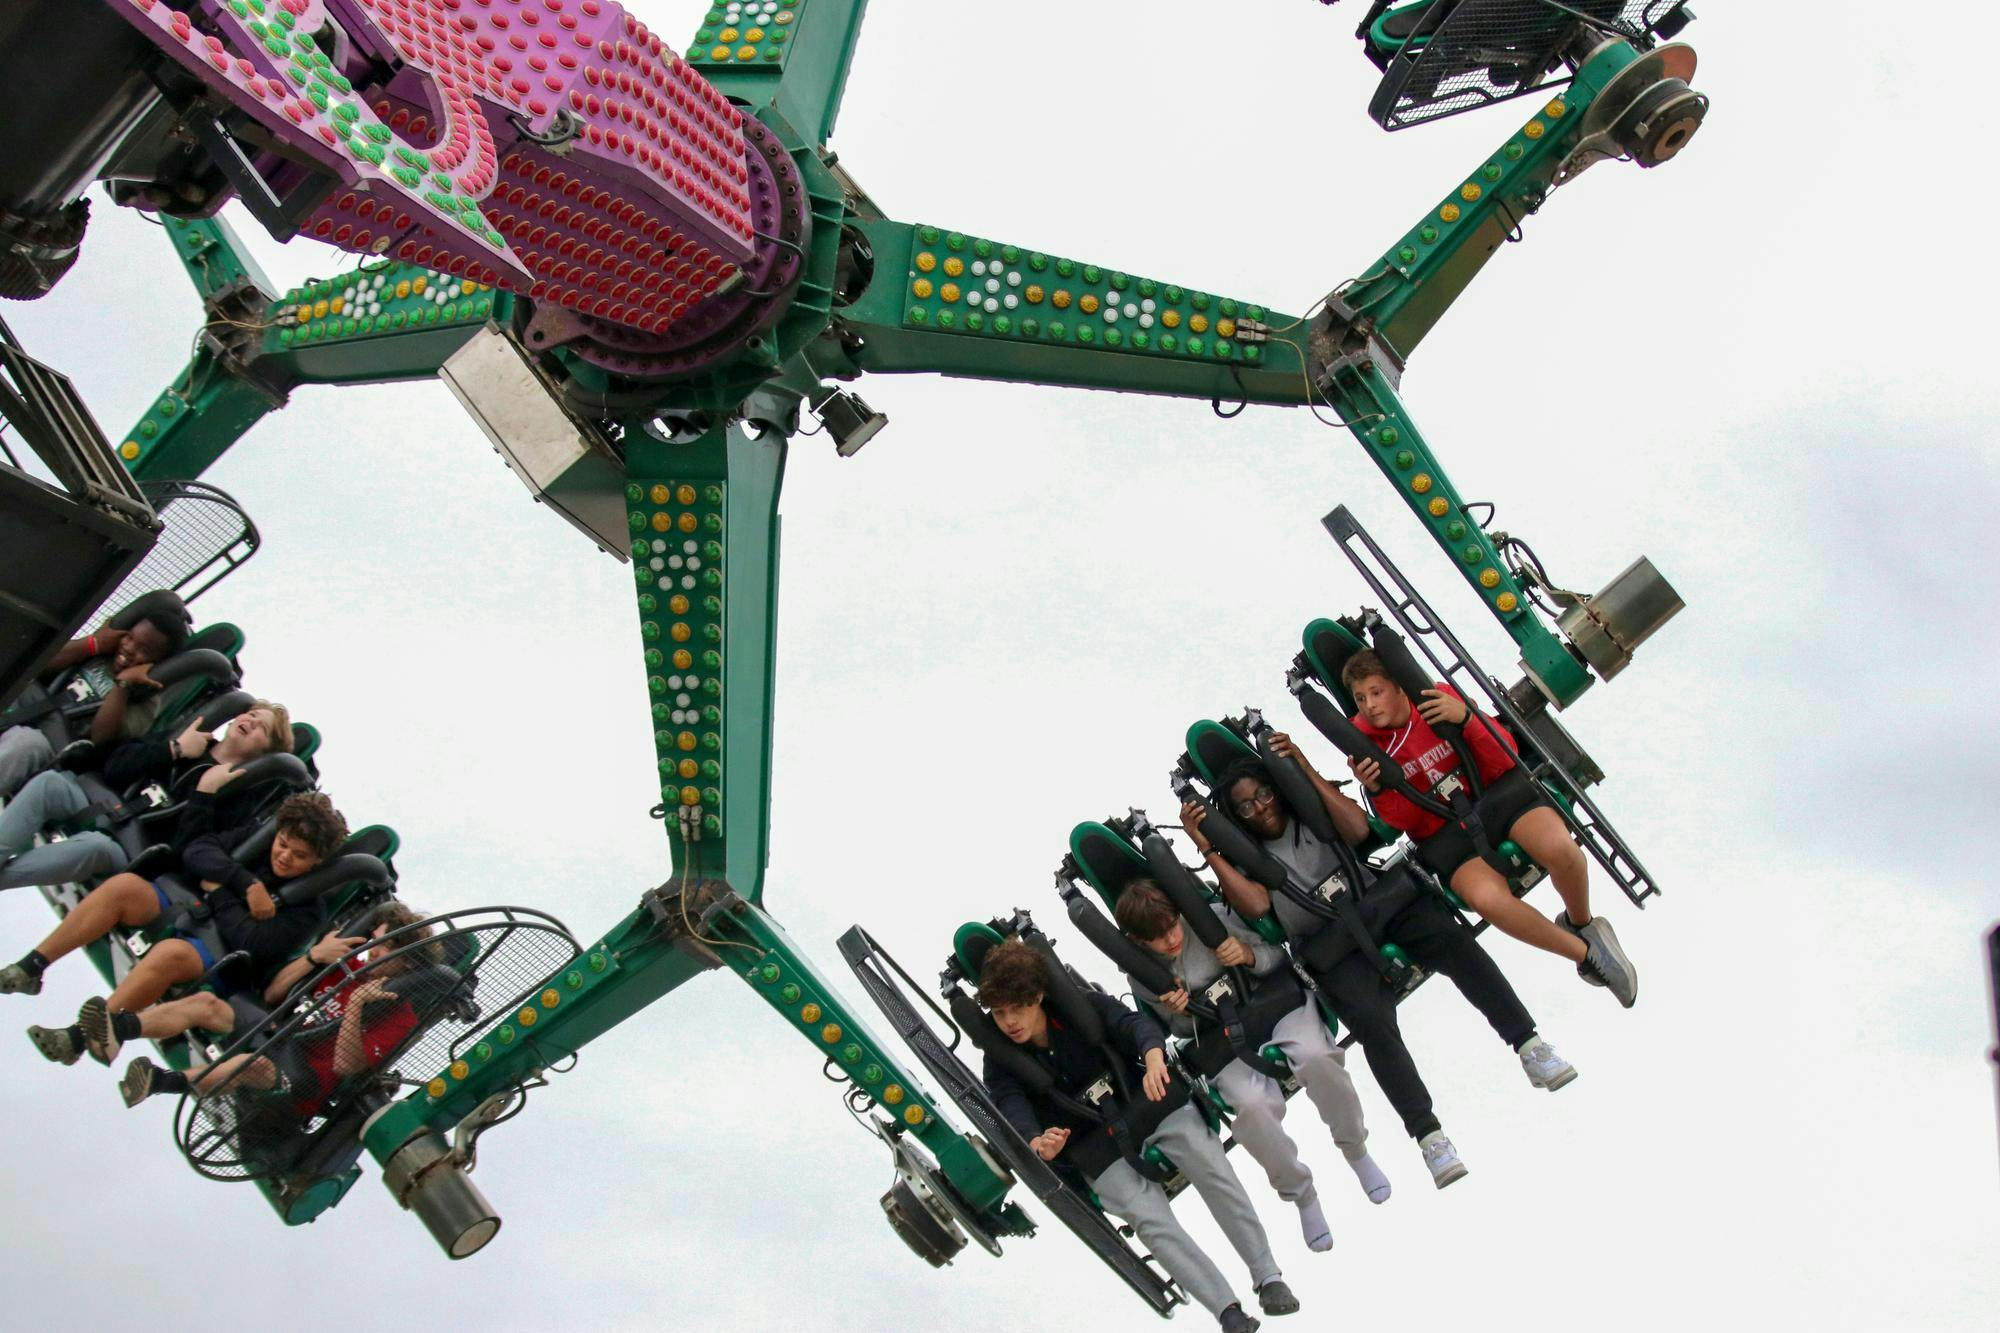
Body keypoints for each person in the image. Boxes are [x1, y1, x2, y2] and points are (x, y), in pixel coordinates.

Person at [1184, 734, 1575, 1189]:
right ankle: (1429, 1135)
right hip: (1329, 942)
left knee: (1454, 943)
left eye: (1264, 794)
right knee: (1372, 1021)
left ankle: (1529, 1045)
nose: (1261, 807)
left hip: (1377, 901)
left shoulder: (1310, 814)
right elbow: (1254, 908)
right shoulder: (1246, 861)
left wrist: (1304, 771)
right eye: (1246, 807)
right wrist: (1208, 844)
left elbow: (1359, 830)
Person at [977, 938, 1288, 1332]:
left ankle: (1268, 1275)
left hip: (1143, 1100)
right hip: (1091, 1142)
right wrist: (1036, 1139)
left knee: (1206, 1159)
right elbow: (1009, 1101)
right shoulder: (1000, 1059)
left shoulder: (1079, 1005)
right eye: (1000, 1013)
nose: (1010, 1022)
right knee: (1147, 1216)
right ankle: (1226, 1310)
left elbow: (1131, 1023)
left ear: (1038, 996)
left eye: (1017, 1008)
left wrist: (1154, 1054)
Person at [1339, 649, 1637, 1006]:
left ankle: (1581, 922)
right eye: (1360, 698)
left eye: (1376, 692)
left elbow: (1503, 753)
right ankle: (1587, 956)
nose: (1369, 705)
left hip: (1496, 798)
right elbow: (1403, 822)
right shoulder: (1364, 747)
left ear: (1399, 687)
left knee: (1560, 850)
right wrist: (1378, 788)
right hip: (1447, 834)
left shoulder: (1436, 697)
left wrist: (1467, 718)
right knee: (1488, 901)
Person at [1115, 878, 1389, 1251]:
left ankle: (1356, 1151)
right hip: (1221, 1039)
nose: (1171, 939)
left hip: (1270, 1004)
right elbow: (1177, 1030)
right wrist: (1178, 1011)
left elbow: (1277, 952)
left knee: (1318, 1058)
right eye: (1157, 938)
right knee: (1250, 1109)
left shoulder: (1210, 917)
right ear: (1139, 941)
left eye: (1171, 926)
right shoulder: (1141, 973)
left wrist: (1247, 954)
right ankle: (1302, 1195)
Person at [0, 792, 348, 1012]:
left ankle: (92, 1031)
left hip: (216, 951)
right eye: (283, 843)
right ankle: (31, 967)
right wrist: (245, 882)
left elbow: (252, 941)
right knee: (125, 886)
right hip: (182, 906)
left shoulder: (309, 909)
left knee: (171, 953)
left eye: (299, 855)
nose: (284, 856)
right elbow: (196, 851)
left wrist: (218, 890)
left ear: (317, 863)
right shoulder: (256, 841)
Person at [108, 905, 435, 1112]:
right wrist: (315, 957)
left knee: (253, 1064)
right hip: (274, 1034)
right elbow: (275, 993)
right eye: (377, 941)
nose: (377, 952)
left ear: (408, 964)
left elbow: (346, 1067)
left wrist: (357, 1006)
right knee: (207, 1004)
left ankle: (160, 1082)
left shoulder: (399, 1015)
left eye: (390, 948)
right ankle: (118, 1028)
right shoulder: (342, 966)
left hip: (299, 1077)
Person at [0, 701, 291, 893]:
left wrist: (204, 794)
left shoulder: (240, 798)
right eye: (251, 714)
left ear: (266, 753)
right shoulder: (187, 736)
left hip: (128, 849)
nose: (250, 721)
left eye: (262, 728)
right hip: (97, 803)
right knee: (50, 783)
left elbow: (189, 852)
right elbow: (114, 767)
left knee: (95, 846)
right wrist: (173, 749)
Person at [0, 608, 187, 798]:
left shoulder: (146, 703)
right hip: (21, 710)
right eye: (129, 637)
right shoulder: (102, 652)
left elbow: (101, 738)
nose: (129, 648)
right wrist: (93, 644)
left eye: (143, 650)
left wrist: (123, 685)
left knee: (25, 742)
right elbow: (38, 664)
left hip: (50, 748)